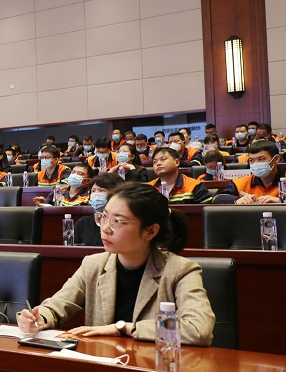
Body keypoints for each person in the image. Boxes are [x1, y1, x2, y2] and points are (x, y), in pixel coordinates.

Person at [18, 182, 215, 345]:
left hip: (153, 368)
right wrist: (39, 318)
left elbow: (198, 329)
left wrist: (125, 327)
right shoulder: (93, 265)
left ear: (150, 231)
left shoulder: (180, 270)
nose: (105, 228)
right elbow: (57, 305)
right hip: (103, 367)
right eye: (104, 217)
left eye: (118, 221)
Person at [216, 139, 286, 204]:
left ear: (276, 159)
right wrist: (236, 200)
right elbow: (218, 198)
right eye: (251, 160)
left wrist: (281, 200)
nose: (255, 164)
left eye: (261, 159)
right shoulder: (240, 182)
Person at [148, 147, 212, 203]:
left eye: (163, 159)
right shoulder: (148, 188)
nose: (158, 163)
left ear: (177, 162)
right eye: (154, 162)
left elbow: (205, 211)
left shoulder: (195, 186)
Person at [73, 173, 122, 246]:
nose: (96, 194)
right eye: (93, 191)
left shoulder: (121, 222)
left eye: (101, 190)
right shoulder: (83, 222)